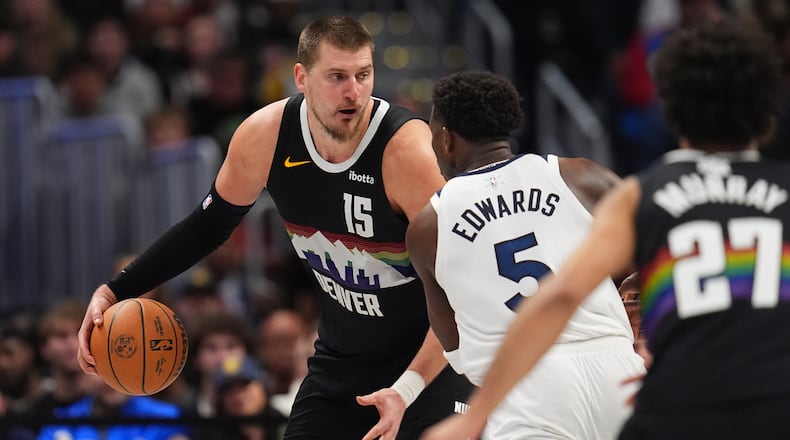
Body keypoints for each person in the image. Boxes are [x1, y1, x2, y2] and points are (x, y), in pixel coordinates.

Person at [77, 15, 473, 440]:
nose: (353, 92)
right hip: (342, 361)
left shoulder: (405, 153)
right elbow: (205, 228)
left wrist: (407, 388)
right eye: (337, 76)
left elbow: (462, 288)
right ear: (300, 77)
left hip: (432, 363)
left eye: (363, 74)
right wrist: (115, 290)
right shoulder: (265, 137)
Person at [422, 20, 790, 440]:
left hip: (680, 399)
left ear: (670, 107)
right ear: (768, 109)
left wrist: (476, 415)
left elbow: (559, 297)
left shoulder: (645, 195)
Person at [406, 70, 645, 439]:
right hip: (616, 370)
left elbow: (452, 342)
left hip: (524, 390)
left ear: (446, 139)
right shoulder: (580, 176)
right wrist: (631, 298)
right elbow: (660, 243)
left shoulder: (428, 227)